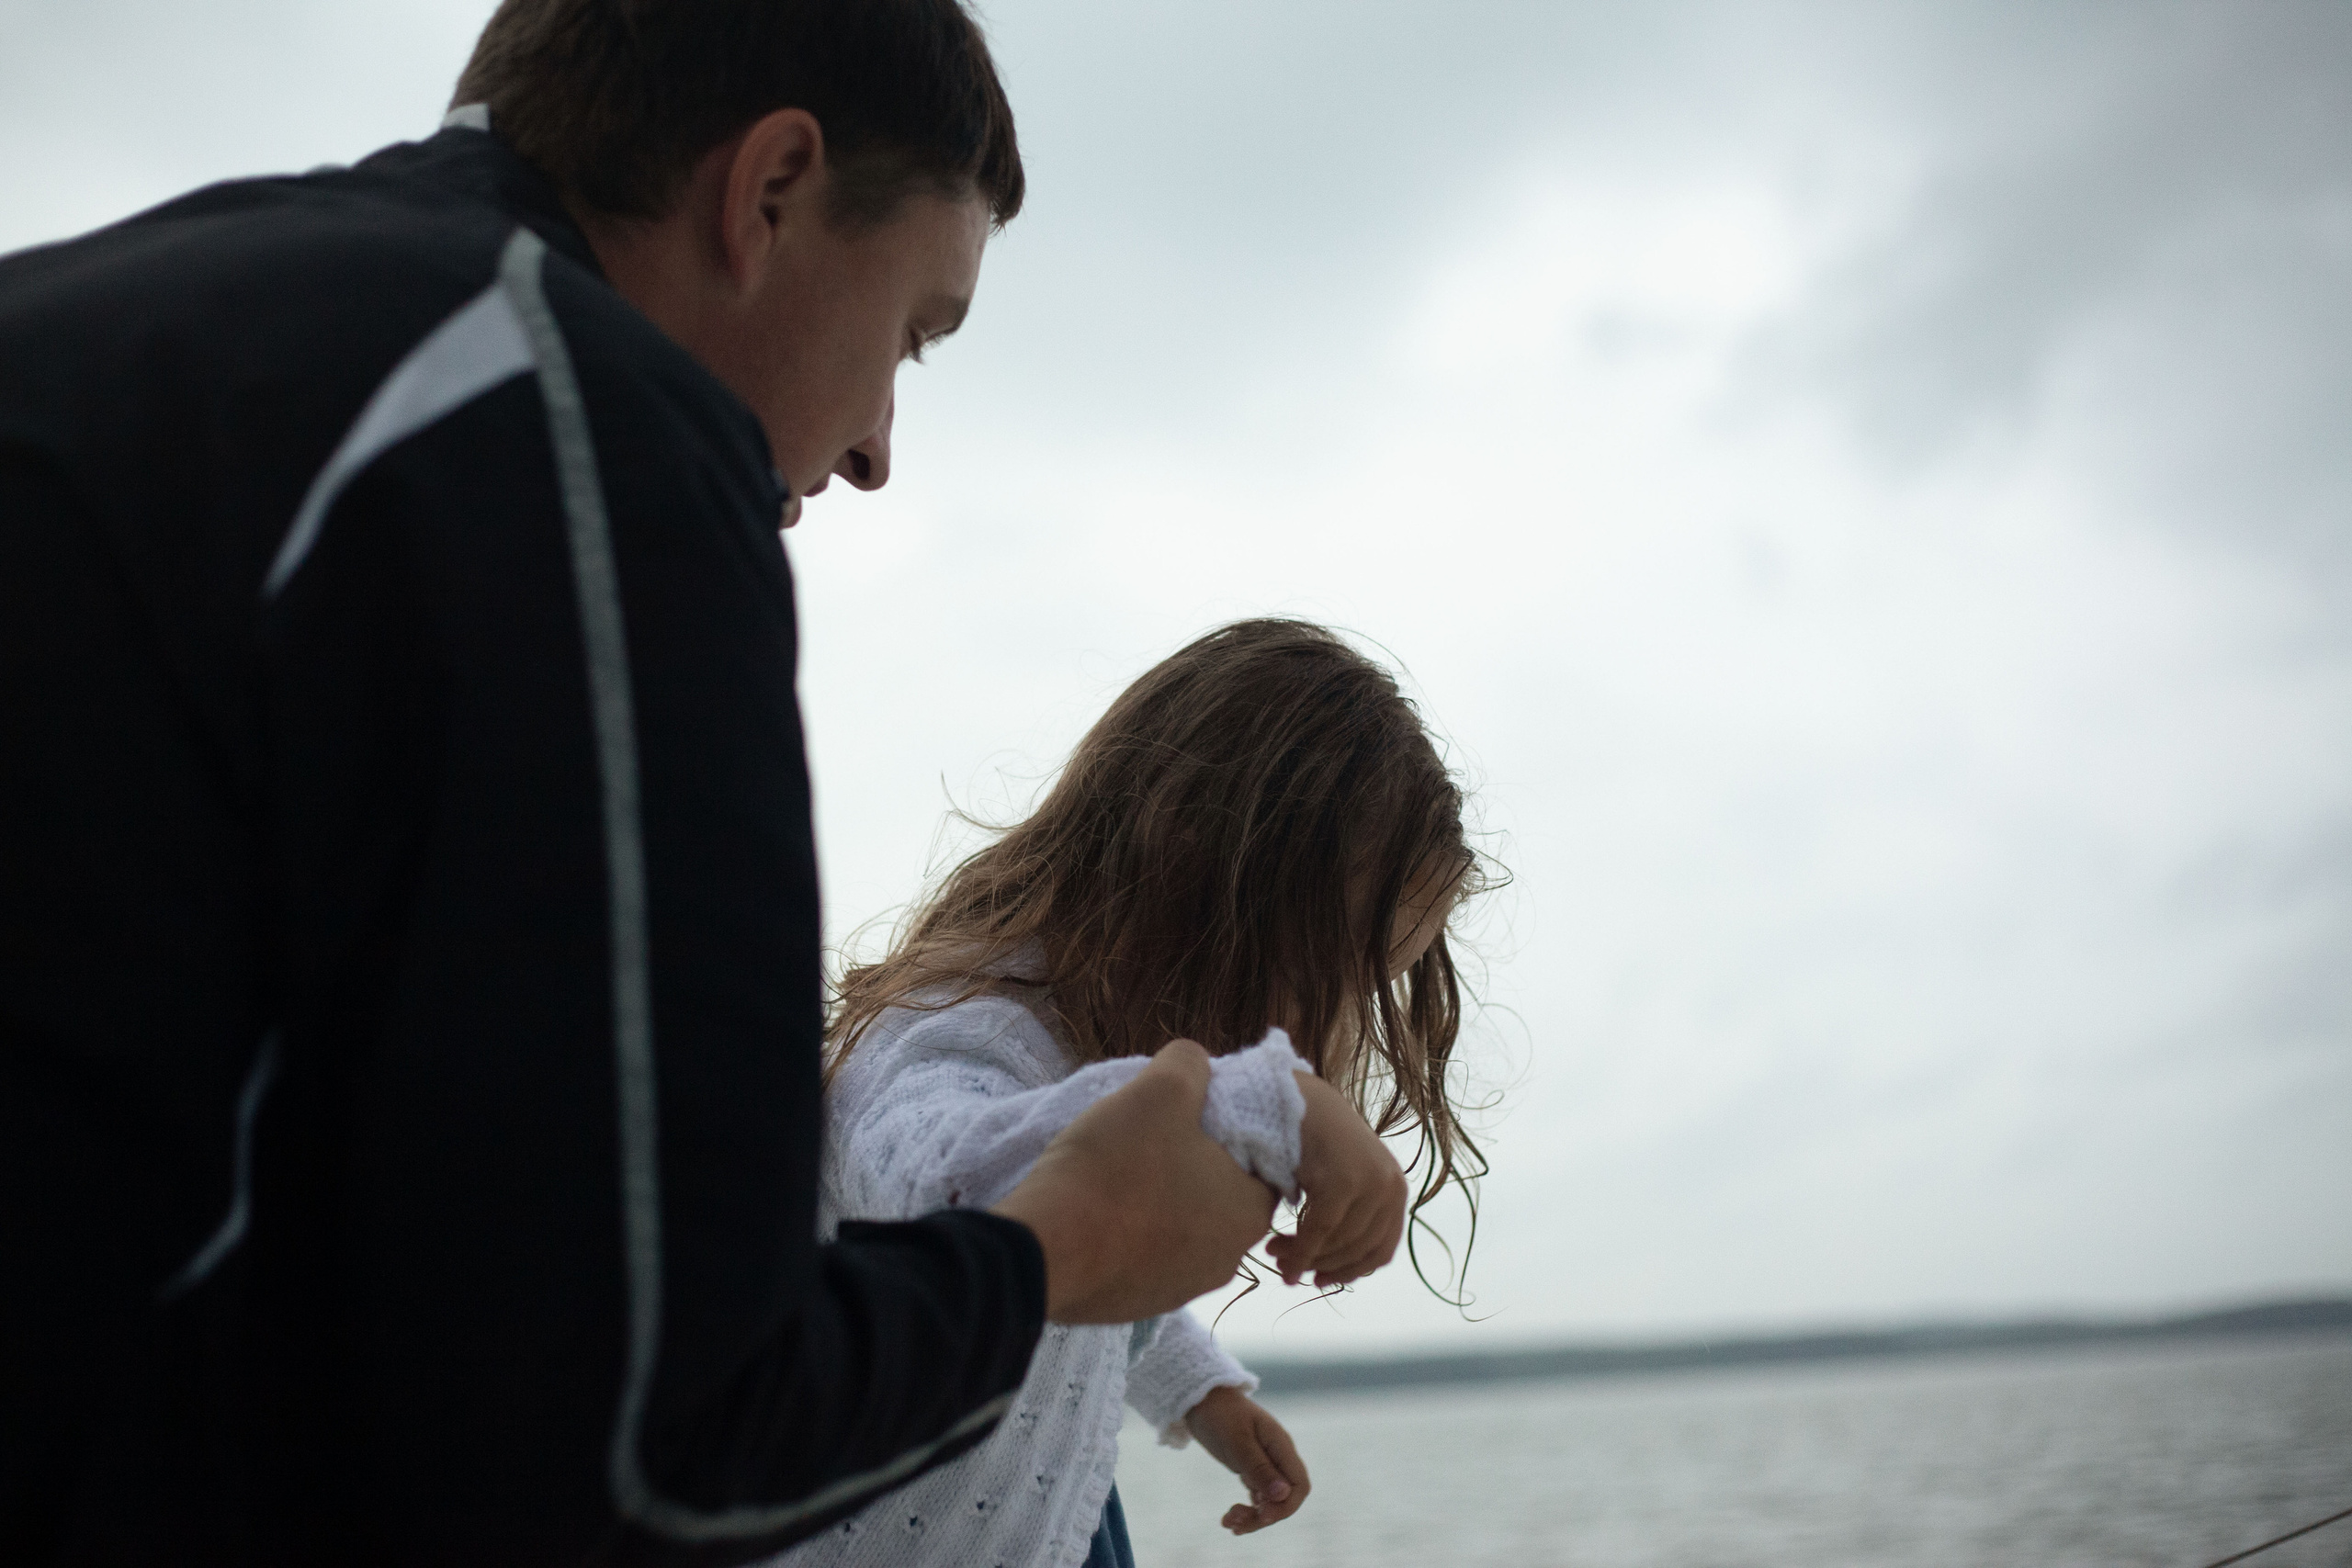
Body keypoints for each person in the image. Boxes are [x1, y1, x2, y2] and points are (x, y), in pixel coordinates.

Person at [0, 4, 1408, 1563]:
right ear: (773, 191)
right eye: (913, 336)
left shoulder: (114, 317)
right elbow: (649, 1437)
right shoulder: (586, 434)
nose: (877, 446)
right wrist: (1064, 1242)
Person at [775, 619, 1494, 1568]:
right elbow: (963, 1203)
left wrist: (1200, 1392)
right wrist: (1267, 1100)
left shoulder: (1080, 1046)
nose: (1339, 1030)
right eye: (1336, 974)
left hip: (1047, 1517)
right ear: (1194, 870)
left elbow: (1098, 1255)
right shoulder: (960, 1033)